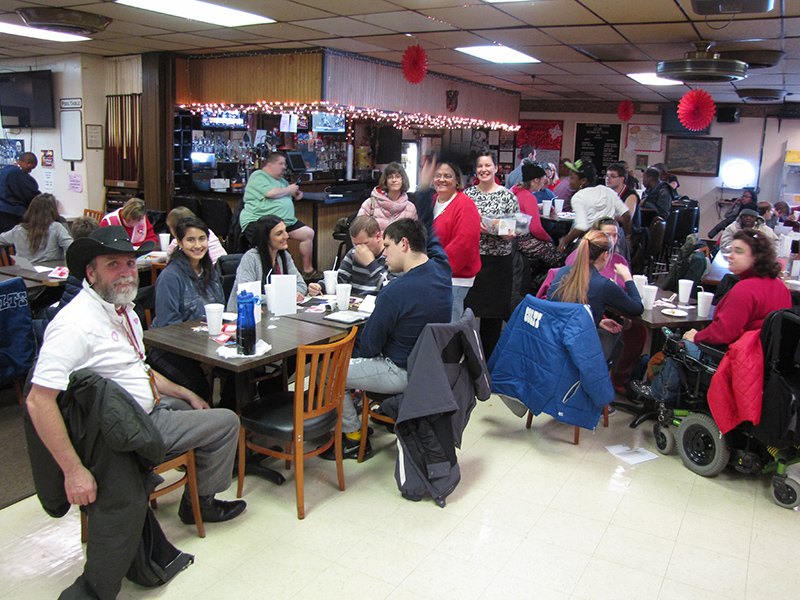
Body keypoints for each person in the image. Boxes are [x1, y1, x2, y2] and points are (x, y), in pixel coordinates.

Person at [26, 226, 246, 593]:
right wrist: (73, 470)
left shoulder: (120, 309)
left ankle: (194, 490)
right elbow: (37, 400)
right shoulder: (74, 324)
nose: (127, 271)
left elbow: (140, 369)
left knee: (197, 397)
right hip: (131, 430)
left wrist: (185, 394)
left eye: (130, 263)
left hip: (148, 409)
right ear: (91, 273)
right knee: (227, 421)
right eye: (113, 264)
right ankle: (200, 505)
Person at [324, 217, 452, 460]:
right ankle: (364, 411)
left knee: (329, 371)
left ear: (404, 244)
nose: (383, 255)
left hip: (400, 371)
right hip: (430, 369)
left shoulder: (395, 291)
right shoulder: (442, 272)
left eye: (387, 247)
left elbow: (371, 347)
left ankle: (352, 438)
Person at [635, 230, 792, 404]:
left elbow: (723, 333)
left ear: (757, 257)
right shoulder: (779, 286)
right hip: (765, 360)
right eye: (731, 250)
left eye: (738, 252)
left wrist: (697, 337)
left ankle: (659, 395)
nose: (730, 256)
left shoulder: (744, 290)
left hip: (737, 358)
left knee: (678, 345)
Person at [149, 216, 225, 401]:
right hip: (170, 349)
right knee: (198, 388)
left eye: (202, 239)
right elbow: (169, 327)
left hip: (204, 345)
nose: (198, 245)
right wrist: (202, 358)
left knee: (239, 372)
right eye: (191, 240)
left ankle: (230, 418)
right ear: (180, 243)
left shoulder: (209, 271)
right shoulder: (170, 277)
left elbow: (220, 310)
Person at [464, 150, 520, 357]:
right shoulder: (468, 195)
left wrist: (494, 228)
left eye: (488, 166)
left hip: (498, 263)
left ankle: (488, 363)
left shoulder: (508, 196)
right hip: (472, 261)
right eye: (480, 166)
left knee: (493, 318)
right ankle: (468, 358)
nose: (484, 170)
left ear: (496, 168)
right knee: (467, 312)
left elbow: (513, 233)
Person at [548, 229, 643, 331]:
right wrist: (628, 278)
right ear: (605, 255)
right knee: (622, 328)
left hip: (554, 336)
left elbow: (567, 314)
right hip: (580, 342)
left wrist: (597, 322)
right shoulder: (604, 285)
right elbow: (637, 308)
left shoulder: (562, 272)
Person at [239, 152, 316, 275]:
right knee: (273, 247)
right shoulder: (258, 176)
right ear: (269, 165)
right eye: (281, 164)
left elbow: (284, 193)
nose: (284, 167)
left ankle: (308, 270)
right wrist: (288, 190)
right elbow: (270, 193)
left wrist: (295, 194)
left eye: (285, 164)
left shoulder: (282, 181)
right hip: (260, 222)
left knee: (307, 233)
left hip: (284, 222)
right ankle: (271, 275)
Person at [226, 214, 321, 311]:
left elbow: (301, 286)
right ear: (266, 238)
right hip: (245, 315)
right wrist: (283, 296)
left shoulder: (284, 256)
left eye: (285, 231)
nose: (286, 236)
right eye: (279, 233)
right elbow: (245, 293)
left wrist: (287, 296)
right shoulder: (251, 258)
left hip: (274, 312)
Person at [430, 160, 481, 322]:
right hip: (433, 274)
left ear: (457, 180)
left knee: (448, 327)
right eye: (438, 176)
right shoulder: (433, 201)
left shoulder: (465, 204)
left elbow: (464, 245)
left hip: (454, 277)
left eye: (447, 176)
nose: (442, 179)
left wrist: (437, 268)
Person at [557, 159, 630, 254]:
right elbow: (627, 215)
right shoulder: (608, 191)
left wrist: (564, 241)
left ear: (583, 180)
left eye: (572, 177)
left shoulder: (578, 197)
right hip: (611, 247)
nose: (569, 181)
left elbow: (581, 227)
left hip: (589, 248)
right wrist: (626, 237)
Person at [0, 193, 72, 263]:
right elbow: (71, 248)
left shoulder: (18, 229)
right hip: (49, 272)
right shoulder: (56, 228)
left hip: (22, 271)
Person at [337, 215, 397, 296]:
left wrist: (371, 264)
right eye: (355, 244)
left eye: (364, 243)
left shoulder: (391, 255)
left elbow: (394, 288)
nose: (360, 248)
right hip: (355, 302)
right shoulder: (354, 252)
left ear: (378, 236)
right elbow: (340, 279)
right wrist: (320, 286)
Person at [357, 162, 417, 232]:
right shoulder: (370, 204)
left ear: (403, 180)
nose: (394, 180)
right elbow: (358, 231)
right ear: (385, 181)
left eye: (398, 177)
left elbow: (414, 237)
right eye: (390, 177)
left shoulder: (410, 208)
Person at [0, 152, 40, 233]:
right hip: (13, 214)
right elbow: (31, 194)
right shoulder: (18, 174)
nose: (30, 171)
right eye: (31, 168)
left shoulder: (5, 170)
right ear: (28, 163)